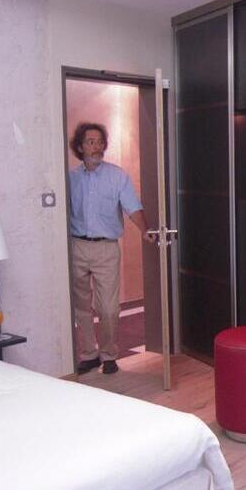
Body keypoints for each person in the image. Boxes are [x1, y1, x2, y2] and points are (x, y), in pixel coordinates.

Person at [68, 122, 154, 375]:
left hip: (106, 249)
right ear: (80, 147)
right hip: (77, 246)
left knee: (108, 308)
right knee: (81, 306)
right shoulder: (71, 179)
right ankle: (89, 354)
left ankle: (108, 354)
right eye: (90, 142)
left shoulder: (117, 176)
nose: (96, 146)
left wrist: (145, 230)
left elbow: (132, 207)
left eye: (100, 142)